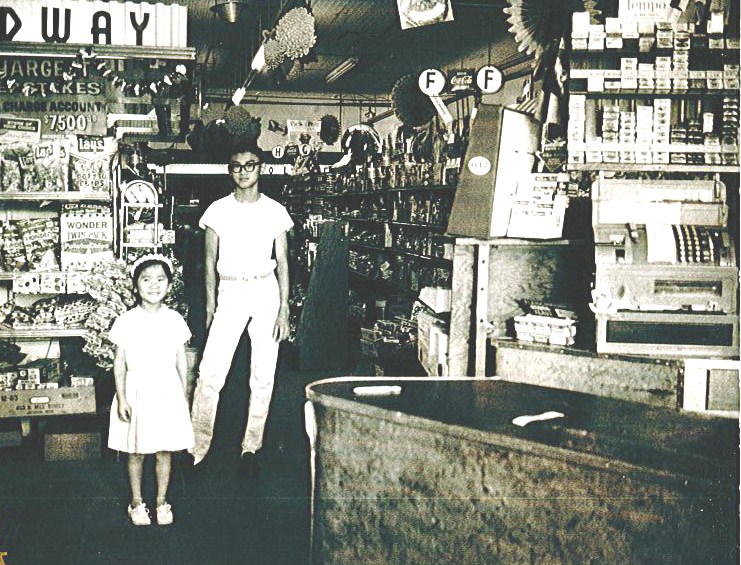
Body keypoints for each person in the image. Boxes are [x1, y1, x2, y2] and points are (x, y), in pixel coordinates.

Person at [190, 141, 293, 471]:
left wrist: (285, 308)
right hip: (230, 291)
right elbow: (208, 262)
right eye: (236, 166)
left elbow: (283, 261)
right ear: (229, 170)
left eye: (250, 165)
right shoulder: (217, 210)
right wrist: (209, 307)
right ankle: (197, 446)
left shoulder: (275, 211)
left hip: (265, 289)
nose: (243, 171)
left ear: (260, 168)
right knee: (209, 373)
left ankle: (252, 444)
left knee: (263, 374)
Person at [107, 254, 193, 526]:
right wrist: (122, 397)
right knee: (135, 449)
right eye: (146, 279)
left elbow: (182, 360)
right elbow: (119, 363)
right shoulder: (126, 321)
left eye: (160, 279)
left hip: (166, 389)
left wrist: (185, 392)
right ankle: (137, 502)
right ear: (135, 286)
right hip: (136, 389)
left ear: (169, 285)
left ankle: (161, 502)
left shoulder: (175, 319)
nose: (153, 285)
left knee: (164, 448)